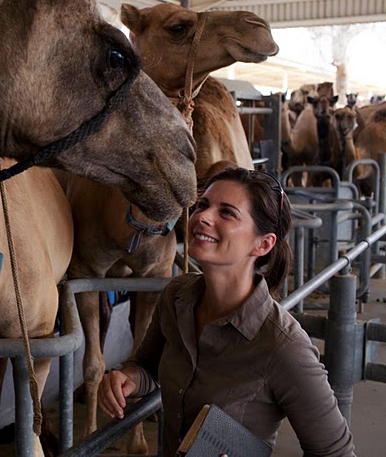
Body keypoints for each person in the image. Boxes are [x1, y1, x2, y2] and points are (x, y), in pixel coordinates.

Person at [97, 167, 355, 456]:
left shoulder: (283, 347)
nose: (203, 217)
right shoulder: (176, 296)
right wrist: (129, 379)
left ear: (263, 244)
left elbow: (336, 453)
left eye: (227, 213)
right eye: (203, 205)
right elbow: (147, 366)